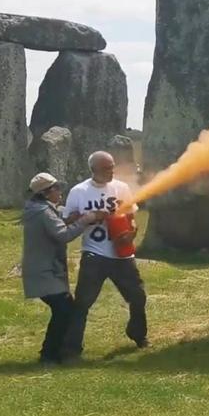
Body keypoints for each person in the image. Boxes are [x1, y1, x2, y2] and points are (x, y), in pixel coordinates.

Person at [62, 151, 147, 359]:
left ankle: (138, 334)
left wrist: (132, 231)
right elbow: (67, 221)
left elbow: (131, 216)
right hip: (94, 255)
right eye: (106, 168)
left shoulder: (121, 188)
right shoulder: (79, 191)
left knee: (138, 296)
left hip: (122, 256)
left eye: (112, 166)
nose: (111, 171)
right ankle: (72, 348)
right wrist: (89, 217)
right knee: (82, 303)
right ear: (94, 170)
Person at [20, 173, 100, 364]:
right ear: (47, 193)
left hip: (43, 270)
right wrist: (85, 220)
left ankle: (55, 352)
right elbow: (62, 235)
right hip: (45, 271)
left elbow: (55, 226)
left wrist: (72, 219)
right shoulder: (43, 212)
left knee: (64, 310)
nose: (60, 192)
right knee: (64, 309)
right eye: (57, 189)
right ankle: (49, 355)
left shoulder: (40, 209)